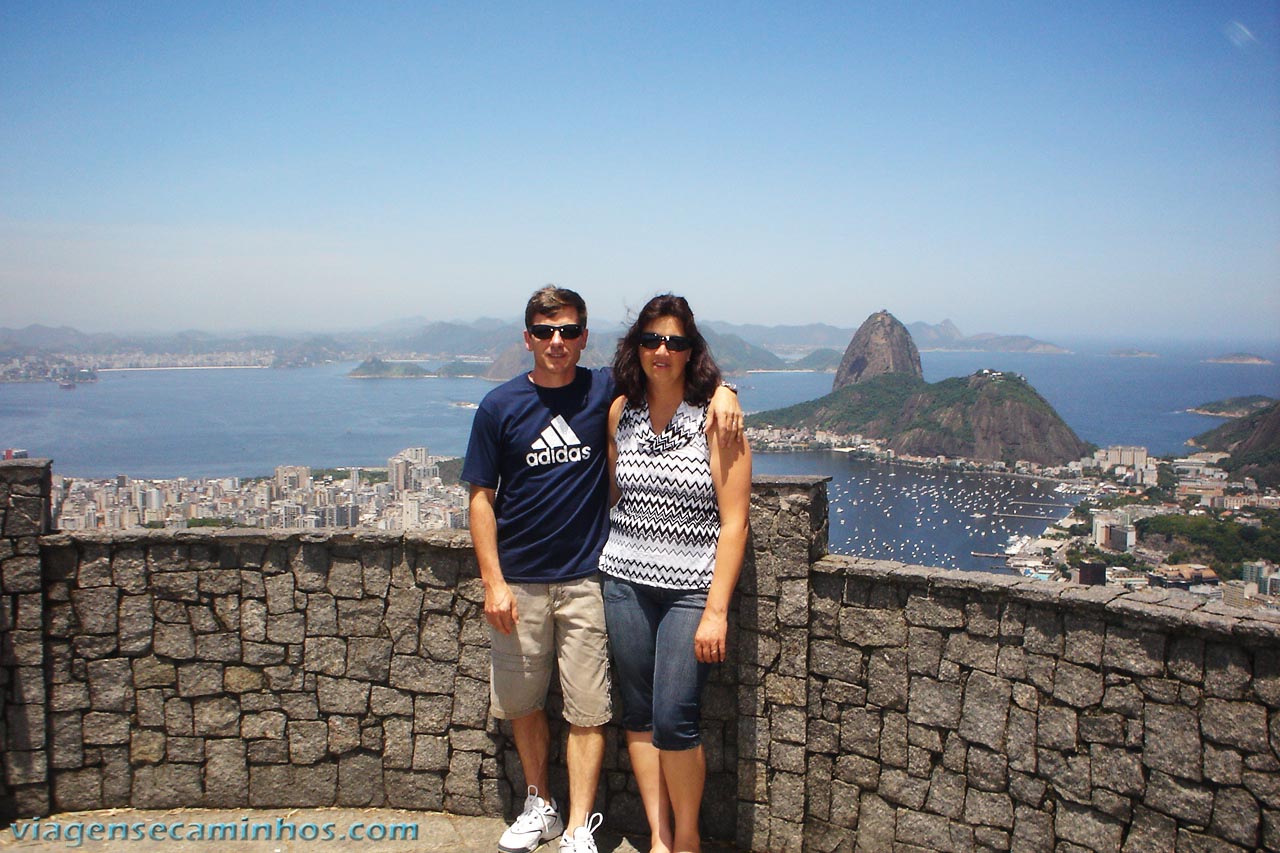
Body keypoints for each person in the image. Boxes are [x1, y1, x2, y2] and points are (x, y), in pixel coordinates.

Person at [461, 286, 743, 853]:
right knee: (572, 709)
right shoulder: (548, 406)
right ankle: (573, 814)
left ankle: (623, 832)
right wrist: (492, 580)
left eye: (567, 331)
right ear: (528, 338)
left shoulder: (629, 401)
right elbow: (482, 495)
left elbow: (732, 515)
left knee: (630, 714)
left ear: (584, 337)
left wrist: (727, 390)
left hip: (629, 582)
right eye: (544, 332)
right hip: (581, 580)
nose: (556, 342)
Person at [599, 294, 752, 853]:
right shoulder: (622, 414)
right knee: (638, 714)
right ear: (637, 347)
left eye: (675, 342)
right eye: (652, 340)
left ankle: (686, 839)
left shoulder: (716, 420)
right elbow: (619, 494)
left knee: (674, 720)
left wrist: (715, 611)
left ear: (692, 352)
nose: (662, 351)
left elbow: (735, 523)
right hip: (624, 582)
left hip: (690, 591)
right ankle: (659, 837)